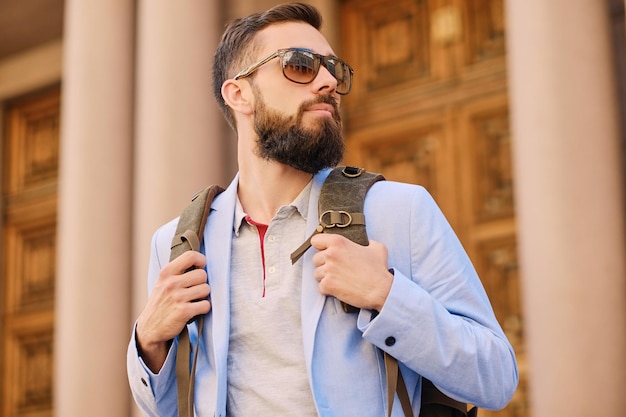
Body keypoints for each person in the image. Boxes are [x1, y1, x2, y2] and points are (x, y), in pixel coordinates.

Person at [127, 3, 518, 416]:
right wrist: (148, 342)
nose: (328, 81)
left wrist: (387, 297)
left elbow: (495, 377)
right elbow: (168, 408)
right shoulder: (179, 243)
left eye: (333, 68)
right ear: (238, 93)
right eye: (300, 64)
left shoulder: (400, 210)